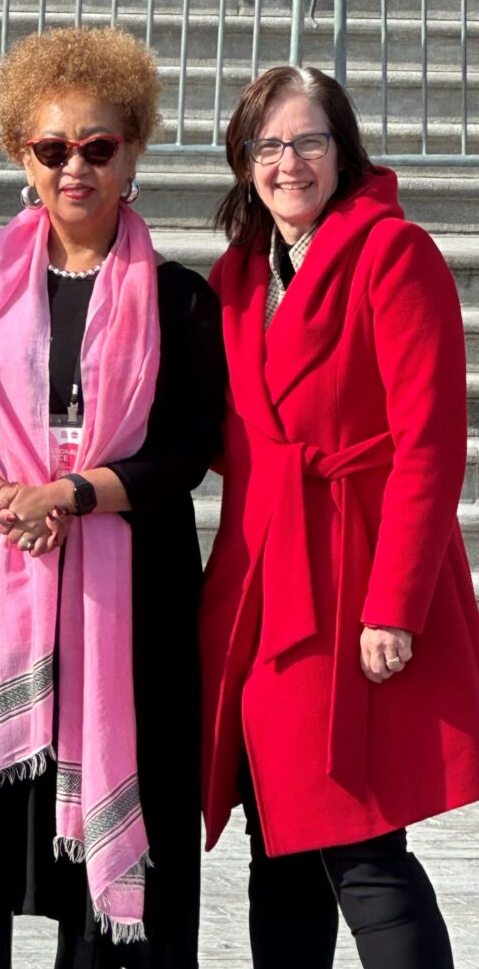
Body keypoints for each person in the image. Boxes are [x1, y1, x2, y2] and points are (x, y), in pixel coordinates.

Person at [0, 26, 226, 969]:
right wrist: (11, 495)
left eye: (97, 146)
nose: (74, 166)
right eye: (51, 148)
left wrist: (70, 495)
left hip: (131, 605)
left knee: (102, 922)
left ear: (133, 155)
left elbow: (184, 452)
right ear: (20, 157)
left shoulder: (180, 299)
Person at [199, 64, 479, 969]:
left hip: (352, 576)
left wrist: (395, 605)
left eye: (308, 141)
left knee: (358, 841)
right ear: (244, 162)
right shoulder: (239, 277)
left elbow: (430, 444)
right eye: (268, 145)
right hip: (265, 578)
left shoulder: (397, 255)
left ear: (343, 150)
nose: (289, 163)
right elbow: (227, 433)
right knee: (277, 840)